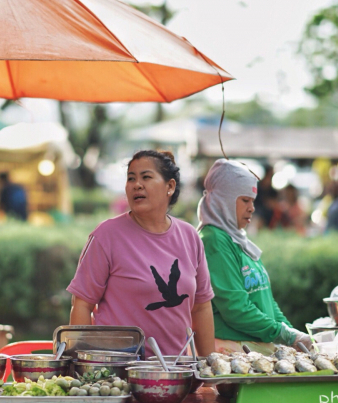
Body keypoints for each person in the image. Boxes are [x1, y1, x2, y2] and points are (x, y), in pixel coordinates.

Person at [67, 150, 215, 356]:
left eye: (146, 177)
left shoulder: (189, 236)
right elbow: (82, 305)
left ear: (170, 186)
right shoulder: (106, 235)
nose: (136, 185)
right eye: (131, 178)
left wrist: (209, 365)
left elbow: (201, 308)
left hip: (174, 368)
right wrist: (83, 363)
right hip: (118, 368)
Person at [197, 159, 311, 355]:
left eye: (253, 200)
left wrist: (290, 333)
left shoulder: (237, 238)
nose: (252, 208)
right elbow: (235, 309)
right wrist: (283, 334)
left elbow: (266, 300)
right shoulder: (214, 240)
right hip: (230, 353)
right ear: (224, 199)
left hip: (255, 348)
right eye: (245, 200)